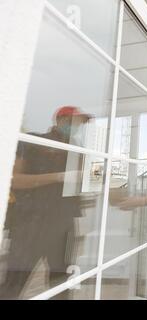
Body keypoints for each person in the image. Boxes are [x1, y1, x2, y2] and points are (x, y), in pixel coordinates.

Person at [0, 106, 90, 299]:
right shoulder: (33, 142)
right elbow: (15, 179)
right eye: (75, 122)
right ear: (61, 121)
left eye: (81, 124)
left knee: (61, 285)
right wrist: (60, 176)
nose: (78, 127)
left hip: (64, 226)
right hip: (30, 223)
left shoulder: (78, 149)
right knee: (14, 283)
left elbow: (83, 185)